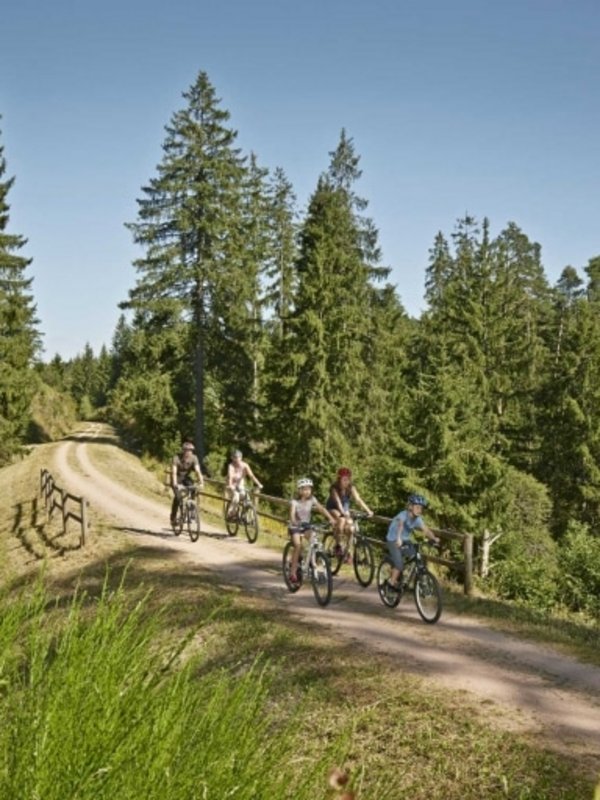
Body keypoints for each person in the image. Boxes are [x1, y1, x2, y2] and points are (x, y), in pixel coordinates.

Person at [386, 493, 440, 589]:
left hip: (405, 540)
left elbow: (426, 529)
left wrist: (434, 538)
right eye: (417, 507)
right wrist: (398, 538)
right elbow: (400, 525)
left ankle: (415, 581)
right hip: (393, 540)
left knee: (417, 558)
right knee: (399, 565)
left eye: (421, 508)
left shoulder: (417, 519)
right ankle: (391, 582)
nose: (420, 510)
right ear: (410, 507)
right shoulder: (403, 515)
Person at [288, 477, 335, 585]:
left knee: (314, 540)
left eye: (309, 489)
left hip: (306, 526)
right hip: (295, 526)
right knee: (298, 546)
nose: (307, 491)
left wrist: (330, 518)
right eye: (304, 489)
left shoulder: (312, 499)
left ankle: (313, 564)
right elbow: (292, 515)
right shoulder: (294, 502)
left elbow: (321, 509)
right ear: (299, 490)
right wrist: (295, 522)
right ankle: (293, 573)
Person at [326, 467, 373, 561]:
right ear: (339, 479)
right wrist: (344, 514)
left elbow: (358, 500)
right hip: (333, 508)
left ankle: (348, 551)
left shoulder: (351, 487)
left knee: (351, 529)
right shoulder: (334, 488)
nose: (346, 481)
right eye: (344, 479)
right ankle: (338, 545)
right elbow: (338, 503)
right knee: (342, 520)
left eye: (348, 479)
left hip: (345, 509)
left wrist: (368, 510)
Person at [170, 440, 204, 526]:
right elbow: (173, 472)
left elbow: (197, 471)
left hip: (185, 478)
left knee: (193, 488)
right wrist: (175, 483)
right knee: (178, 498)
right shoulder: (176, 458)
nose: (188, 452)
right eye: (186, 450)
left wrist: (201, 482)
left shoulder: (194, 458)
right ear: (183, 450)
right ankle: (173, 517)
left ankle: (191, 510)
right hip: (176, 479)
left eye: (190, 450)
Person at [226, 449, 263, 518]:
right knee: (236, 497)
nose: (237, 459)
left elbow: (251, 476)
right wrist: (230, 485)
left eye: (239, 457)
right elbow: (230, 477)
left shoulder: (245, 466)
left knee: (247, 500)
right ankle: (231, 512)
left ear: (241, 457)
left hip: (240, 485)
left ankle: (244, 516)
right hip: (232, 485)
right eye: (235, 457)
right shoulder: (231, 466)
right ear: (233, 458)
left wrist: (259, 484)